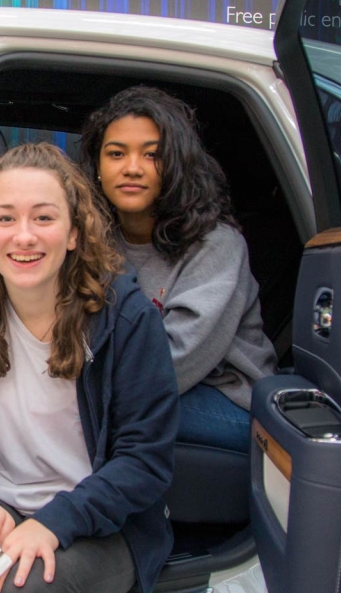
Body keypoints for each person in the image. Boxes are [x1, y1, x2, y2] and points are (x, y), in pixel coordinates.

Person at [0, 142, 178, 593]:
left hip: (97, 521)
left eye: (43, 217)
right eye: (5, 218)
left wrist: (56, 522)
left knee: (30, 587)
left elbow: (144, 460)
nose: (24, 236)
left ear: (74, 232)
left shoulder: (129, 319)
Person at [80, 86, 277, 454]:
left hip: (225, 398)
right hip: (134, 381)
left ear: (177, 164)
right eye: (116, 153)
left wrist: (77, 387)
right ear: (98, 167)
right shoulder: (93, 239)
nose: (132, 168)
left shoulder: (215, 244)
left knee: (82, 414)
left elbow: (176, 364)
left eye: (153, 155)